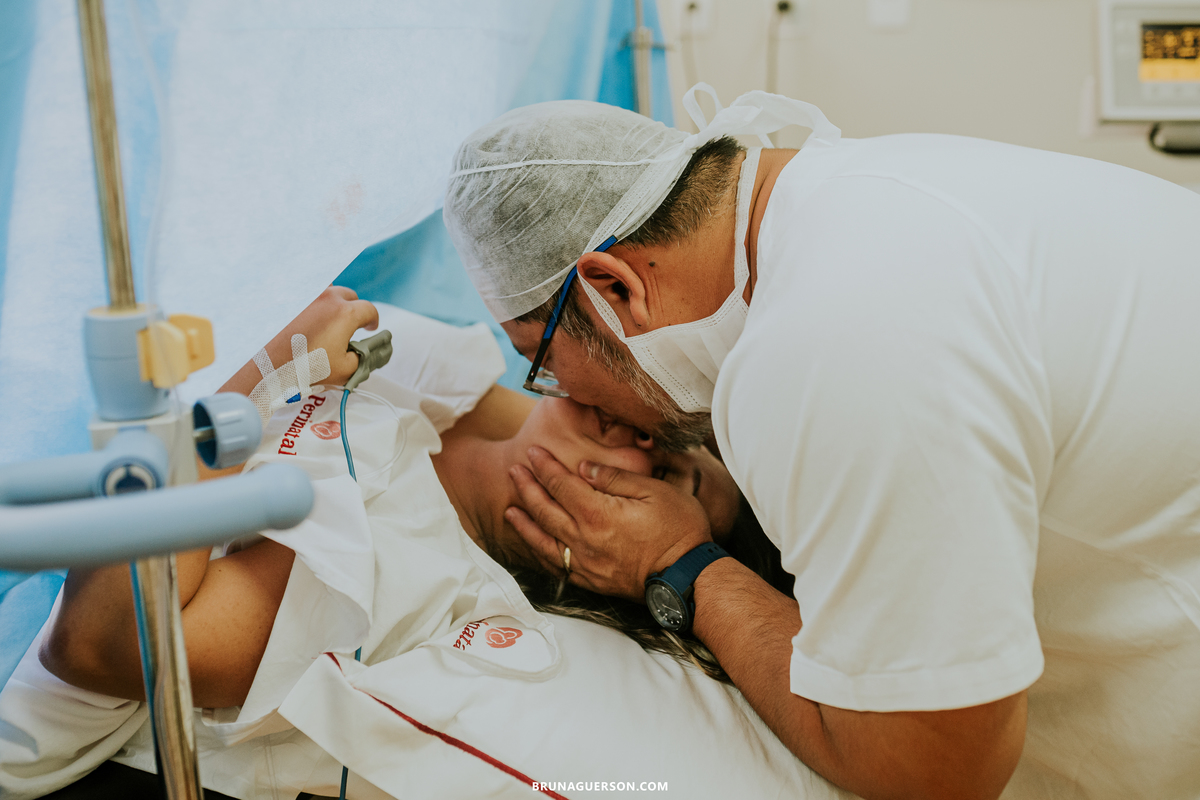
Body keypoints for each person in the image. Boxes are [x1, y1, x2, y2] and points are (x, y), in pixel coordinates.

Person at [442, 87, 1200, 800]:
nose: (572, 402)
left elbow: (935, 769)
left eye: (541, 361)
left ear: (615, 289)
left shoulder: (824, 351)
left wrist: (679, 567)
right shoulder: (852, 190)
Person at [2, 288, 787, 798]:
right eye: (679, 434)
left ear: (625, 562)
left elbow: (107, 643)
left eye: (676, 481)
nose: (648, 440)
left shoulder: (396, 579)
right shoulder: (476, 386)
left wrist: (272, 369)